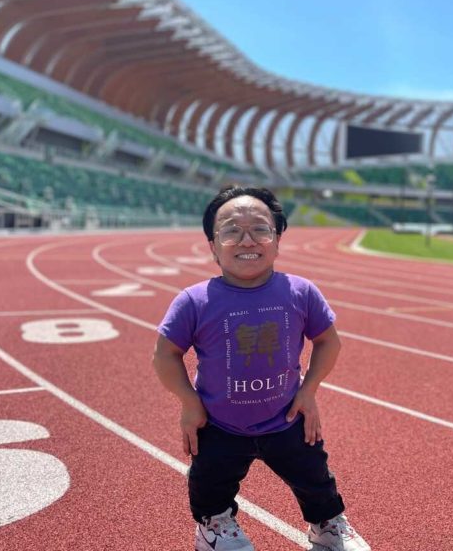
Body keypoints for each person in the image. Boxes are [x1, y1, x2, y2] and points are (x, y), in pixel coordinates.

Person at [153, 186, 370, 551]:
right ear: (212, 245)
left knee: (315, 477)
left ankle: (327, 526)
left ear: (278, 238)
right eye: (231, 230)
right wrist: (189, 403)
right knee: (210, 481)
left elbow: (329, 341)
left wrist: (309, 390)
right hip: (218, 422)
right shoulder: (194, 300)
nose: (246, 239)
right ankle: (215, 526)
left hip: (286, 417)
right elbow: (165, 354)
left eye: (260, 228)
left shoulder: (300, 292)